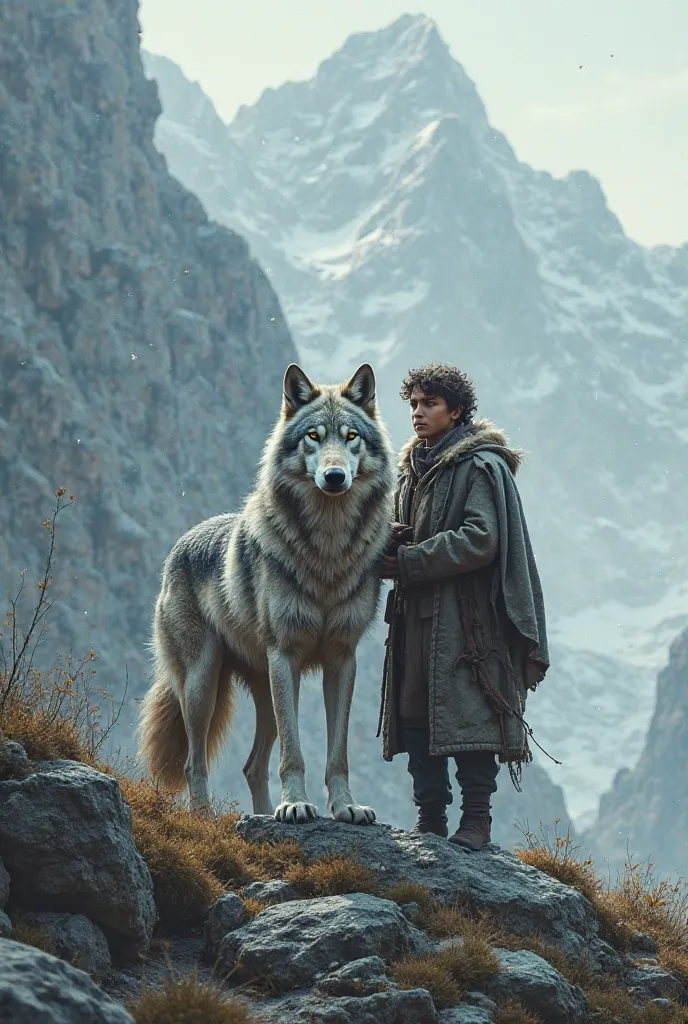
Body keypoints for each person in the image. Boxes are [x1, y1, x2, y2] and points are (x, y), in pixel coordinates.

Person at [378, 363, 549, 850]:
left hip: (467, 621)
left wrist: (411, 560)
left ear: (456, 410)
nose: (417, 412)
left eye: (429, 403)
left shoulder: (479, 466)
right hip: (415, 617)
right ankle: (429, 819)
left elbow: (482, 539)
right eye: (412, 403)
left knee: (474, 718)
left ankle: (476, 822)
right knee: (414, 718)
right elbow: (405, 525)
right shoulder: (411, 469)